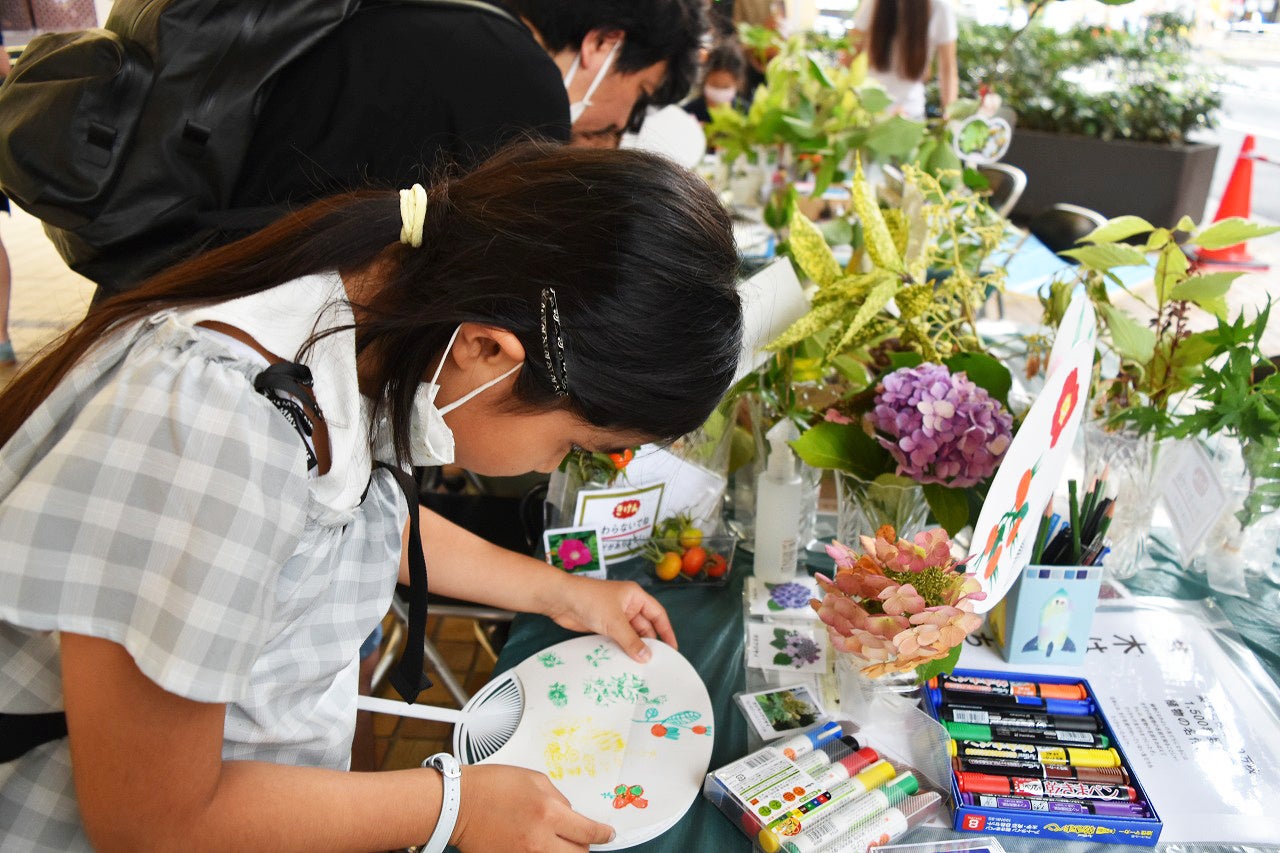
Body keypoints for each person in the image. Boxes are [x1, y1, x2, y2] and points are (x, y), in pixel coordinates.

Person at [0, 142, 743, 851]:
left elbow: (341, 523)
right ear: (490, 349)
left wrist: (561, 591)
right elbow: (152, 822)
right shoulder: (217, 428)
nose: (552, 468)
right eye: (573, 445)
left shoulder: (370, 325)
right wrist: (454, 805)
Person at [231, 0, 709, 217]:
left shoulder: (453, 22)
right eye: (641, 95)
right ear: (603, 43)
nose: (623, 125)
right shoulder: (523, 81)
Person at [848, 0, 958, 120]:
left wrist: (949, 115)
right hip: (868, 112)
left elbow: (948, 68)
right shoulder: (874, 3)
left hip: (909, 115)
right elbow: (850, 52)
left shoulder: (940, 6)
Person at [684, 40, 750, 124]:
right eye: (715, 85)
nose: (719, 92)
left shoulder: (746, 114)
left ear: (737, 83)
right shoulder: (687, 115)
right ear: (704, 79)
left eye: (726, 87)